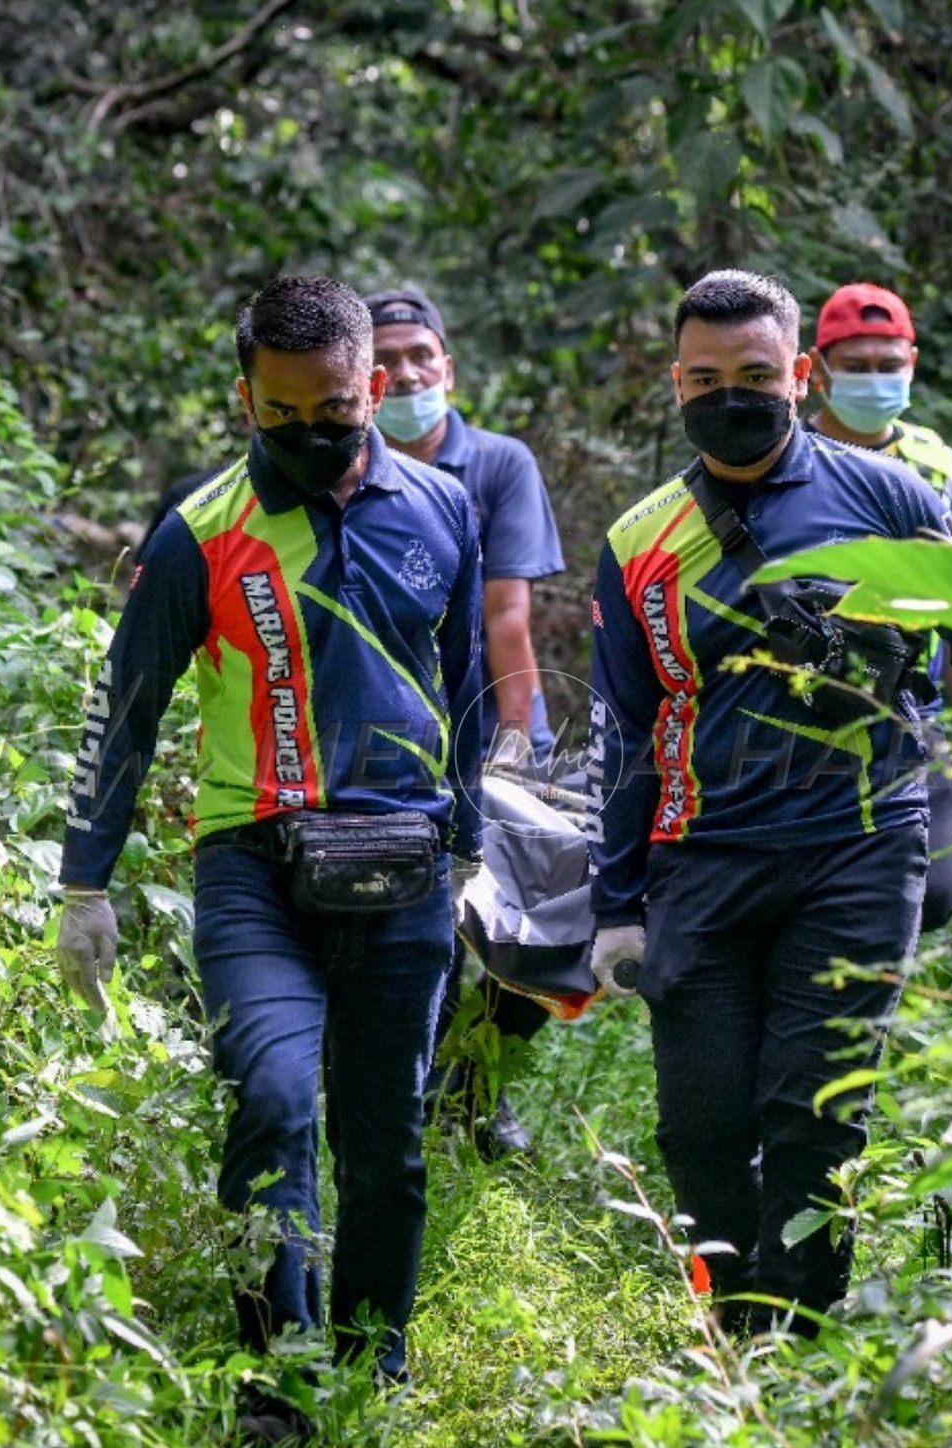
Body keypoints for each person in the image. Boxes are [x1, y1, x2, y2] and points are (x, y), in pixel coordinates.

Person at [53, 275, 484, 1441]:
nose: (312, 429)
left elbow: (467, 692)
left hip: (405, 860)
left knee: (384, 1136)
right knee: (274, 1099)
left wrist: (473, 844)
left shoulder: (443, 509)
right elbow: (125, 709)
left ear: (375, 383)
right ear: (245, 397)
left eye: (335, 404)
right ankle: (277, 1380)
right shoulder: (200, 534)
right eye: (281, 411)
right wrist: (83, 882)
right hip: (254, 864)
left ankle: (370, 1366)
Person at [585, 270, 952, 1334]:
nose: (727, 394)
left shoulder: (886, 496)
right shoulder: (637, 542)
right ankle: (728, 1321)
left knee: (814, 1112)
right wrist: (613, 900)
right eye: (704, 377)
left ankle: (804, 1333)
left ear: (798, 373)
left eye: (752, 375)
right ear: (674, 380)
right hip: (701, 853)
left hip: (861, 844)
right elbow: (622, 727)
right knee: (698, 1120)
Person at [365, 286, 566, 1160]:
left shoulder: (496, 464)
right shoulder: (343, 466)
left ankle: (479, 1079)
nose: (407, 373)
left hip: (502, 723)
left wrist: (512, 751)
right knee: (427, 926)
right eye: (388, 360)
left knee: (549, 924)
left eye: (421, 356)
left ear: (448, 367)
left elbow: (507, 617)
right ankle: (419, 1095)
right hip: (392, 737)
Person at [806, 282, 952, 931]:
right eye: (857, 367)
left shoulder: (934, 464)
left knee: (933, 894)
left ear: (913, 363)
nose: (874, 380)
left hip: (909, 710)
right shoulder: (788, 456)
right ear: (818, 372)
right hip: (801, 707)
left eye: (888, 366)